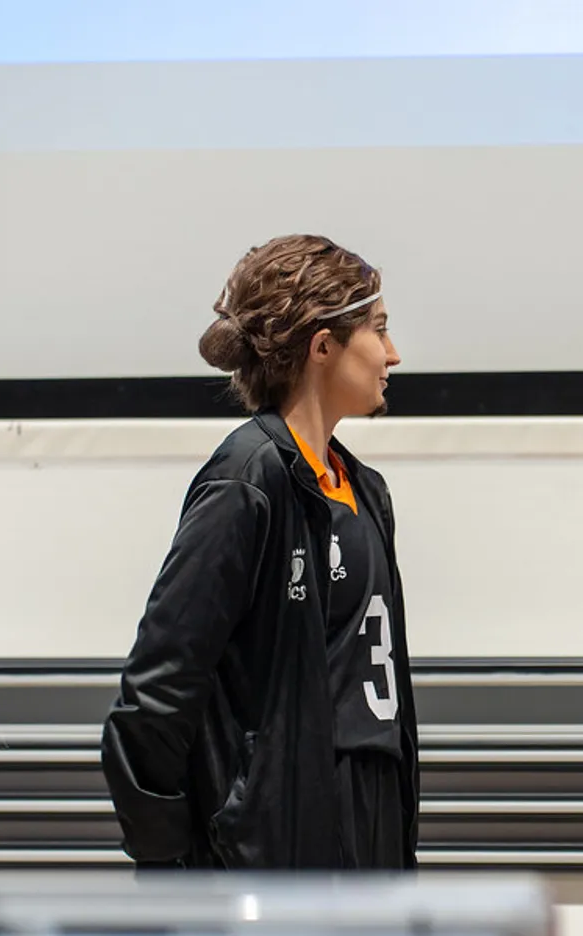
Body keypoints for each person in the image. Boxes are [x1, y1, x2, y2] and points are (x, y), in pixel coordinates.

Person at [102, 234, 419, 870]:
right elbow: (158, 689)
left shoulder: (366, 490)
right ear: (323, 346)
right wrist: (171, 863)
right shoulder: (246, 480)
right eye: (379, 330)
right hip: (276, 848)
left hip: (370, 823)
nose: (393, 354)